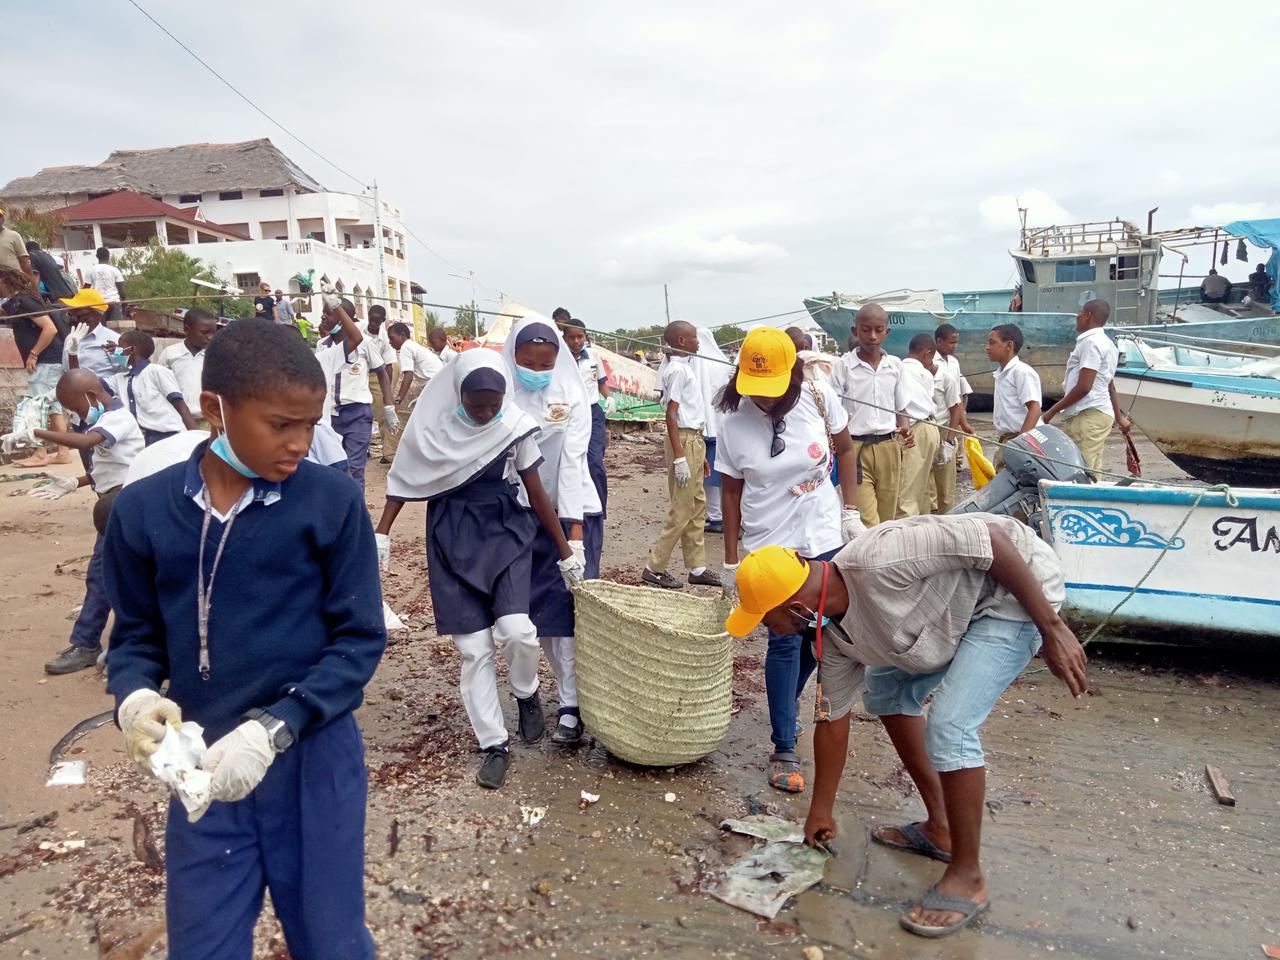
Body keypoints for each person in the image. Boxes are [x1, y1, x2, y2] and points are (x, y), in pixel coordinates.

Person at [102, 318, 385, 959]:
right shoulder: (143, 512)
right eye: (280, 425)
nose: (299, 443)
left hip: (311, 761)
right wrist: (136, 700)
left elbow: (359, 641)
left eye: (310, 425)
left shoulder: (331, 503)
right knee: (203, 943)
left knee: (331, 941)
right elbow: (136, 637)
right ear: (214, 410)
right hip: (200, 765)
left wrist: (276, 727)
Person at [725, 513, 1086, 938]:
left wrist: (1053, 628)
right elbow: (832, 719)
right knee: (887, 692)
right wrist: (820, 810)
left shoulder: (881, 559)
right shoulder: (835, 637)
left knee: (951, 725)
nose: (768, 629)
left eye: (767, 620)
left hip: (1017, 594)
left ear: (798, 608)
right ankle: (941, 828)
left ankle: (968, 877)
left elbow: (991, 540)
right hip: (957, 608)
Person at [376, 349, 584, 787]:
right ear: (458, 394)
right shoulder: (432, 429)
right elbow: (404, 478)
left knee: (518, 631)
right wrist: (382, 532)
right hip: (450, 533)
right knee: (473, 650)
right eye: (477, 405)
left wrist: (565, 550)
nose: (487, 413)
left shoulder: (513, 426)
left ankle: (526, 692)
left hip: (504, 528)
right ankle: (493, 744)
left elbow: (536, 489)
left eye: (494, 404)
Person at [716, 326, 863, 793]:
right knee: (783, 639)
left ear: (794, 374)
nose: (765, 400)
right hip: (769, 541)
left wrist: (853, 511)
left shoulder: (820, 397)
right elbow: (732, 493)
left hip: (823, 532)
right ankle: (783, 744)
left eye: (773, 390)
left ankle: (789, 704)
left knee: (820, 636)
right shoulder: (733, 422)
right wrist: (731, 559)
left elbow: (844, 448)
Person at [502, 316, 597, 745]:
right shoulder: (501, 394)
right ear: (514, 357)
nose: (537, 372)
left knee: (569, 615)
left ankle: (573, 707)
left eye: (546, 364)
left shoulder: (570, 396)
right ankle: (543, 691)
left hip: (568, 512)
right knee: (531, 616)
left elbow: (574, 461)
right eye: (528, 363)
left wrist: (573, 534)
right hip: (519, 514)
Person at [27, 369, 143, 674]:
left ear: (91, 396)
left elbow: (85, 442)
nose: (77, 414)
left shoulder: (118, 419)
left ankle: (90, 643)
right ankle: (103, 642)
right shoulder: (105, 420)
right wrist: (75, 482)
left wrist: (36, 433)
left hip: (126, 506)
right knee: (114, 576)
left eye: (77, 407)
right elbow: (109, 467)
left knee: (105, 575)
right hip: (114, 504)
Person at [642, 320, 714, 589]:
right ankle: (654, 566)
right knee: (682, 507)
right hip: (683, 438)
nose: (698, 341)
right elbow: (671, 414)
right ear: (682, 341)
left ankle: (697, 566)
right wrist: (680, 457)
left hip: (693, 439)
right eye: (694, 337)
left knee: (697, 504)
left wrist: (699, 454)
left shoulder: (684, 368)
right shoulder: (676, 371)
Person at [828, 304, 914, 526]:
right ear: (855, 331)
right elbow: (832, 411)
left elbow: (900, 407)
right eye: (866, 330)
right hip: (855, 449)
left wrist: (905, 428)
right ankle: (866, 558)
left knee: (888, 518)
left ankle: (882, 558)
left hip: (888, 447)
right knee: (866, 519)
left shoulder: (895, 366)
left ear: (887, 332)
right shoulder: (843, 367)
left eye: (878, 329)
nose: (872, 336)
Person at [315, 298, 396, 488]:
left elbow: (382, 373)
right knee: (335, 468)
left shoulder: (365, 343)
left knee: (355, 469)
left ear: (343, 319)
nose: (323, 316)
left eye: (329, 312)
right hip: (331, 415)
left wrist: (389, 405)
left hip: (357, 414)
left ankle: (356, 515)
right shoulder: (322, 346)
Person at [1042, 299, 1130, 476]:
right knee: (1092, 470)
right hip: (1100, 413)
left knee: (1079, 471)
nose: (1077, 316)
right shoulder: (1108, 344)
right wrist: (1119, 418)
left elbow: (1084, 387)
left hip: (1088, 415)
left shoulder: (1091, 343)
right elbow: (1109, 386)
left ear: (1088, 315)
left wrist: (1052, 411)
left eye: (1080, 313)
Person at [0, 267, 72, 465]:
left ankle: (39, 454)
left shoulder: (24, 301)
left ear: (4, 282)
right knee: (53, 407)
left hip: (45, 361)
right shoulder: (17, 303)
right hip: (51, 360)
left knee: (36, 405)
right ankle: (63, 453)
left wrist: (33, 354)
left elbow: (49, 329)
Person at [562, 319, 610, 576]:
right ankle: (573, 506)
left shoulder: (594, 357)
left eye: (580, 337)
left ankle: (596, 509)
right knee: (573, 461)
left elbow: (602, 381)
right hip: (570, 413)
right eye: (572, 337)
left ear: (585, 336)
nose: (576, 341)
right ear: (565, 337)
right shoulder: (560, 359)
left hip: (593, 413)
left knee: (594, 463)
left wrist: (608, 397)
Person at [111, 330, 198, 445]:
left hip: (168, 436)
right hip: (144, 439)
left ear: (132, 349)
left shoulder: (157, 372)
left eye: (120, 347)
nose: (117, 351)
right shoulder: (122, 379)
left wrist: (196, 440)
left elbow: (181, 406)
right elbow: (92, 383)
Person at [690, 328, 733, 535]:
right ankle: (729, 515)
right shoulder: (721, 361)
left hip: (702, 426)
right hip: (723, 425)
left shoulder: (695, 362)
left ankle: (715, 516)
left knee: (708, 476)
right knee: (726, 474)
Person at [898, 334, 945, 518]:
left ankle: (906, 532)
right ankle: (924, 526)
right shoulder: (925, 374)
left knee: (906, 490)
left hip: (915, 429)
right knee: (922, 486)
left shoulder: (898, 369)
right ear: (927, 354)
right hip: (931, 427)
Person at [987, 323, 1041, 463]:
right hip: (1007, 439)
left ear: (1009, 345)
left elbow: (1034, 409)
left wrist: (1020, 446)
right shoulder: (1001, 374)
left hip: (1019, 438)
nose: (987, 347)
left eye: (992, 343)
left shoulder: (1021, 372)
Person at [357, 305, 402, 464]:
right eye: (372, 320)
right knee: (359, 411)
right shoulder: (358, 328)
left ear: (383, 321)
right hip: (357, 372)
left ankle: (389, 452)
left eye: (378, 322)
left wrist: (386, 394)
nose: (374, 324)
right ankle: (362, 450)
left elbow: (388, 367)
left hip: (376, 374)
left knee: (382, 414)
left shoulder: (385, 338)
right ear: (368, 316)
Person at [159, 308, 218, 426]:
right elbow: (159, 384)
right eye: (204, 332)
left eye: (213, 332)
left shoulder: (215, 356)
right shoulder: (170, 354)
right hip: (175, 420)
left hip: (207, 421)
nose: (210, 337)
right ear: (186, 329)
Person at [58, 288, 118, 381]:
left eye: (80, 315)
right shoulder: (70, 338)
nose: (74, 319)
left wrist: (122, 354)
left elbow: (125, 372)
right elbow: (68, 372)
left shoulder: (113, 339)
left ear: (97, 315)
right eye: (70, 315)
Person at [387, 322, 442, 410]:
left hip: (434, 385)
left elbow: (408, 376)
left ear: (402, 335)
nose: (390, 342)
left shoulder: (406, 347)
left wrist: (398, 400)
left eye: (391, 338)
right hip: (438, 383)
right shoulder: (412, 345)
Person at [80, 247, 126, 325]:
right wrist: (125, 302)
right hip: (114, 302)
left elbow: (86, 289)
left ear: (97, 256)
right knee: (115, 330)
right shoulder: (115, 270)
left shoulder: (91, 270)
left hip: (99, 304)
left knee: (101, 329)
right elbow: (121, 290)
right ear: (108, 256)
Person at [0, 207, 34, 284]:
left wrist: (35, 291)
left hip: (15, 283)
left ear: (3, 219)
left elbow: (25, 265)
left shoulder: (14, 236)